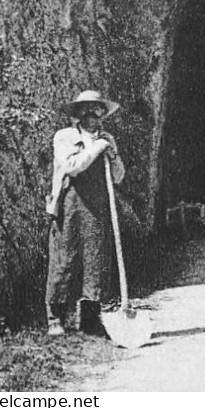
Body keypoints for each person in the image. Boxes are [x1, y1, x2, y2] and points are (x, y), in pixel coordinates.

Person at [45, 89, 125, 336]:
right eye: (86, 109)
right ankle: (55, 318)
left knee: (96, 259)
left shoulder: (107, 138)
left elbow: (118, 176)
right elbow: (72, 166)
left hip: (97, 207)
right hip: (69, 204)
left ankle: (90, 319)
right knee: (64, 258)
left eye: (97, 108)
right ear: (78, 113)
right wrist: (97, 148)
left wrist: (111, 154)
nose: (92, 113)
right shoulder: (65, 137)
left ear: (103, 113)